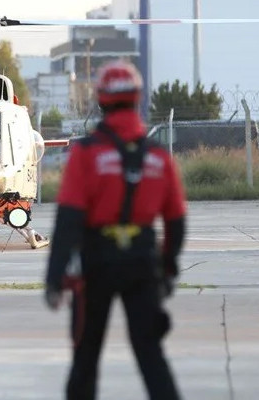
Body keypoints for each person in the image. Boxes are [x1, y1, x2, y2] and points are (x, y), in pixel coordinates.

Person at [44, 60, 186, 400]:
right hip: (141, 264)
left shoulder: (87, 153)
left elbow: (68, 220)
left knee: (86, 358)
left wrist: (54, 277)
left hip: (96, 265)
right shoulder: (159, 159)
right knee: (151, 356)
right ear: (137, 98)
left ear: (102, 99)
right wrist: (166, 269)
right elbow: (176, 222)